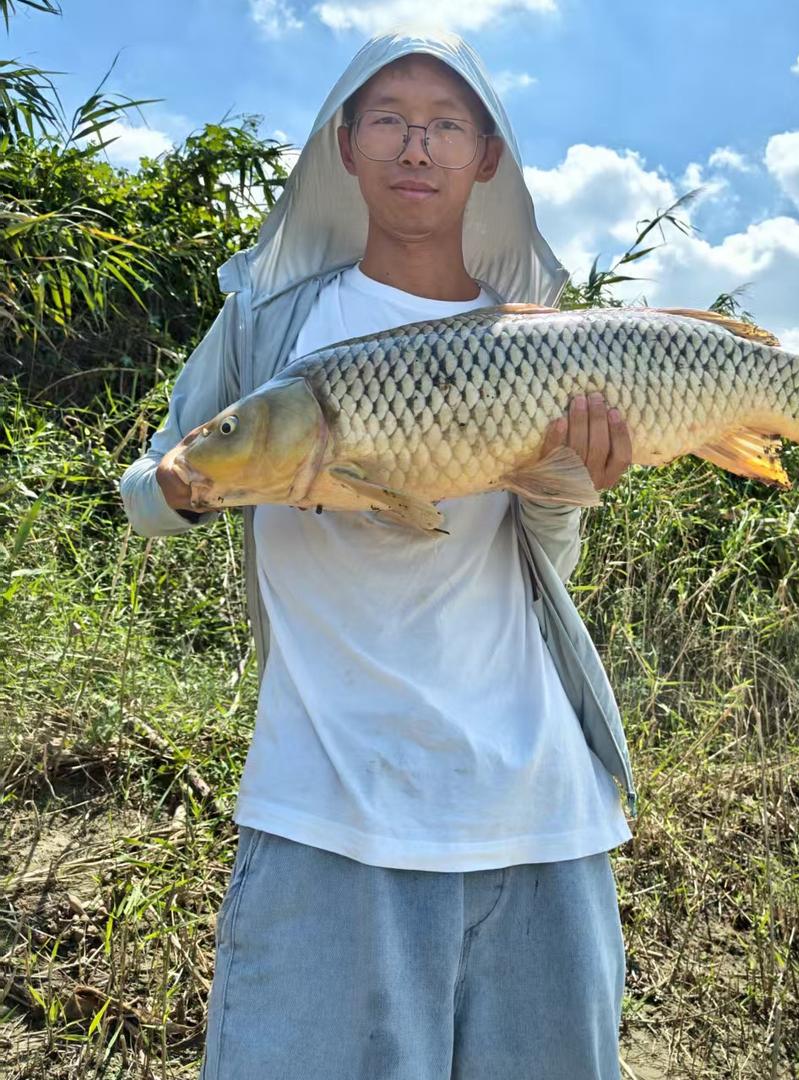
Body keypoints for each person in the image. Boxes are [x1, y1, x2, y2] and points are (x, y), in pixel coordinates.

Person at [121, 28, 639, 1079]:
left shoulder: (537, 338)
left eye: (448, 124)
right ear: (346, 144)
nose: (419, 147)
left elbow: (547, 555)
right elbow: (152, 482)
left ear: (487, 156)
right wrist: (183, 489)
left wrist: (577, 481)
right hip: (324, 806)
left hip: (536, 809)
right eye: (392, 120)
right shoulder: (269, 326)